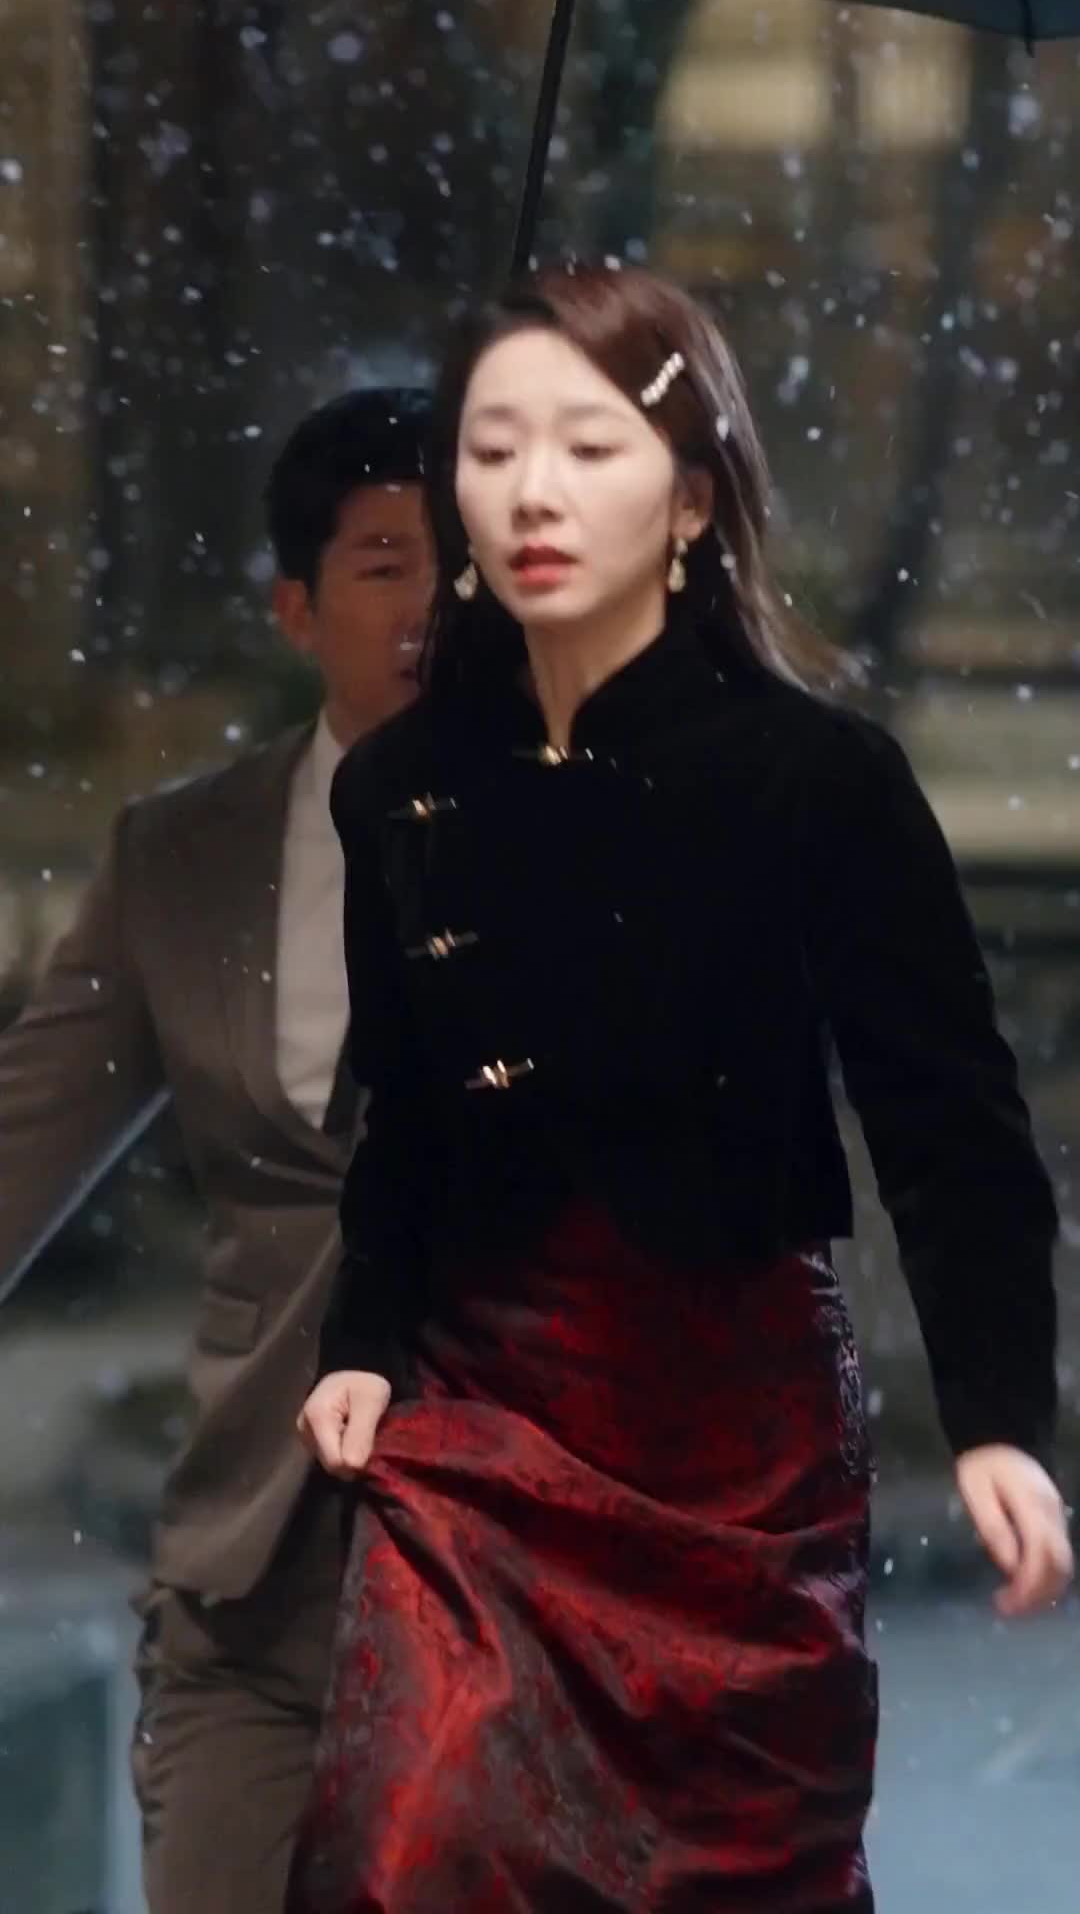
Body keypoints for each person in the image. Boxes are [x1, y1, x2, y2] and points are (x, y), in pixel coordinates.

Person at [291, 268, 1073, 1914]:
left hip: (733, 1429)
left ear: (695, 501)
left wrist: (1001, 1417)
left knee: (726, 1880)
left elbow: (949, 1126)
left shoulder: (818, 779)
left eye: (589, 447)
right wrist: (361, 1339)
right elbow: (407, 1116)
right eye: (492, 450)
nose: (535, 492)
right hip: (481, 1415)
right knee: (403, 1842)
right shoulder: (403, 789)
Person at [0, 387, 433, 1914]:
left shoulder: (604, 848)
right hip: (256, 1574)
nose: (434, 603)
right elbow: (21, 1142)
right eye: (386, 561)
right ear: (296, 609)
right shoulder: (184, 858)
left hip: (521, 1557)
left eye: (462, 564)